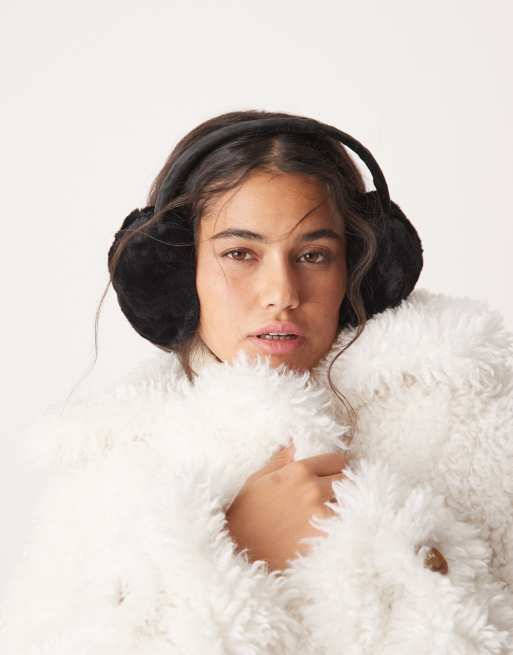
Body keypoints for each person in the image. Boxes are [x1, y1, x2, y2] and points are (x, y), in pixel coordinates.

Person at [1, 110, 513, 654]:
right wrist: (237, 549)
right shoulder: (109, 471)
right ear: (180, 273)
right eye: (239, 253)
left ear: (359, 268)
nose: (282, 293)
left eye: (313, 255)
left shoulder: (470, 414)